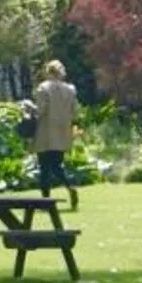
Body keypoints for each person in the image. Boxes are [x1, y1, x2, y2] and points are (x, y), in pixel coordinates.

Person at [25, 60, 80, 205]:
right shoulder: (70, 90)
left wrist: (29, 106)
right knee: (57, 165)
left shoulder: (44, 88)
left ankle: (45, 200)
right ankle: (70, 186)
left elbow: (40, 111)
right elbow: (75, 112)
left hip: (46, 132)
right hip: (62, 132)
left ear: (48, 72)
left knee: (44, 167)